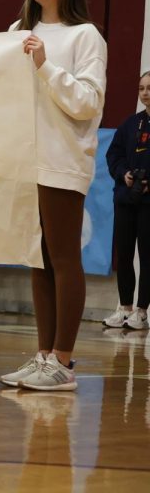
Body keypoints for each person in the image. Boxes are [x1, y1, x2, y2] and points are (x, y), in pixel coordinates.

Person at [0, 0, 106, 393]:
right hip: (25, 162)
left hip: (62, 159)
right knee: (38, 259)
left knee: (64, 259)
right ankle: (44, 353)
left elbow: (87, 102)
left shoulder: (86, 36)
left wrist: (45, 64)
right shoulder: (17, 32)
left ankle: (63, 361)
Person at [102, 71, 150, 330]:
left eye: (149, 88)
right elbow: (113, 155)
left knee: (146, 255)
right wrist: (125, 174)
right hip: (125, 199)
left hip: (148, 204)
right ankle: (125, 307)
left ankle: (141, 311)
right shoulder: (130, 124)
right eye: (141, 88)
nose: (145, 92)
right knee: (124, 254)